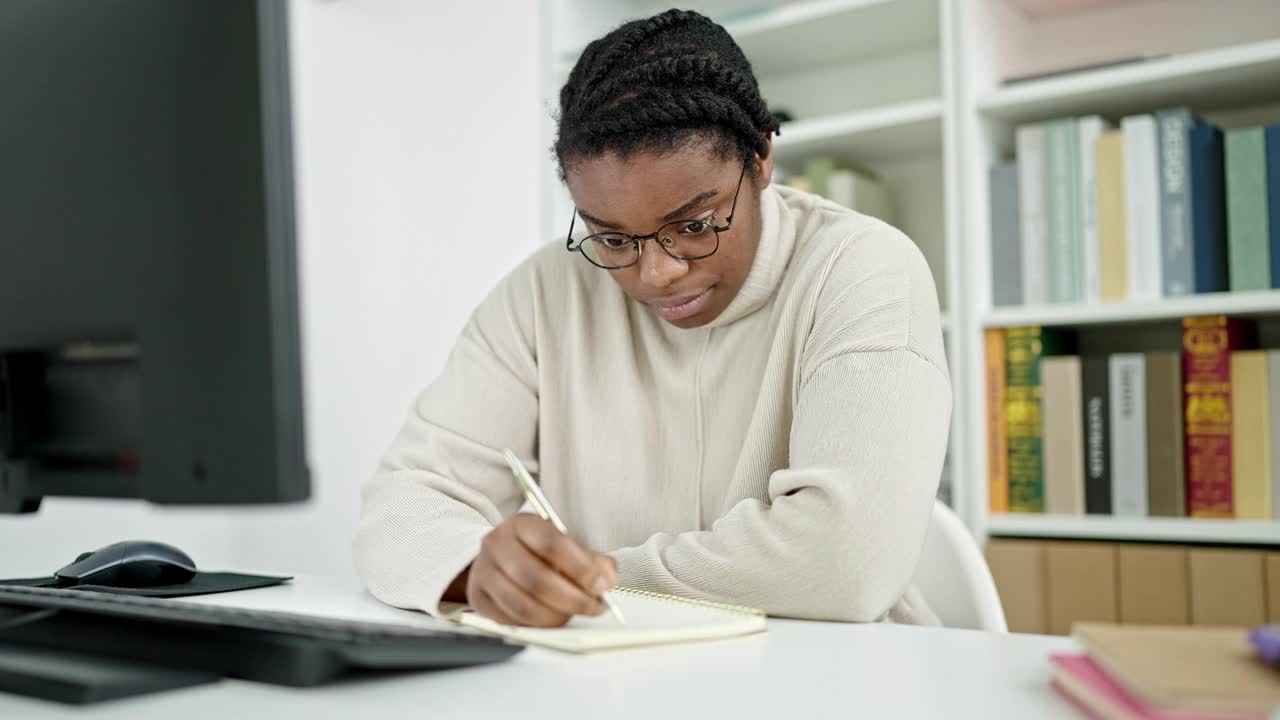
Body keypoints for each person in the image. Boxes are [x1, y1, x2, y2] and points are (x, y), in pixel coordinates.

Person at [355, 8, 950, 628]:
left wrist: (589, 579)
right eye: (611, 239)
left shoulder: (862, 270)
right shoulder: (544, 293)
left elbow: (842, 567)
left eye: (693, 226)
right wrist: (476, 570)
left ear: (761, 156)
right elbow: (399, 508)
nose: (654, 273)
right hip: (612, 681)